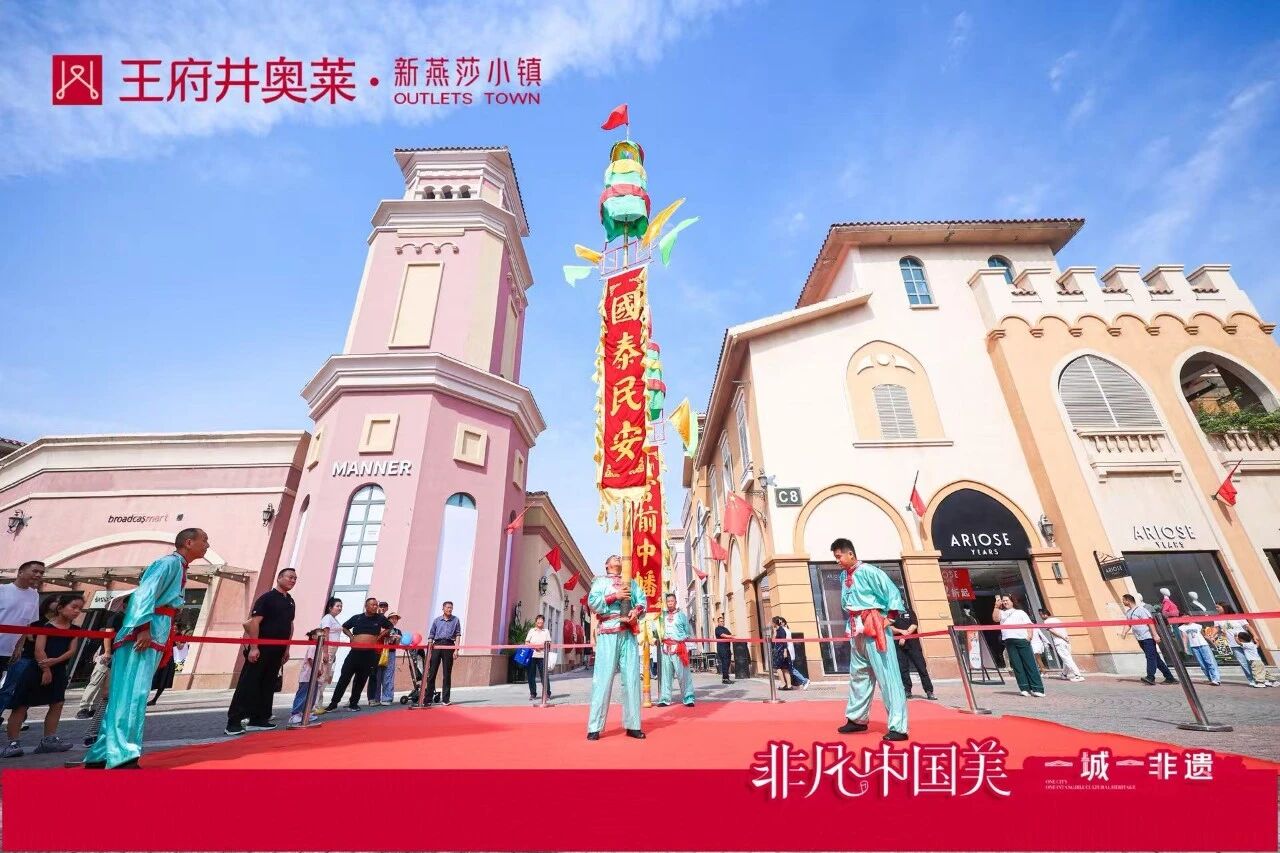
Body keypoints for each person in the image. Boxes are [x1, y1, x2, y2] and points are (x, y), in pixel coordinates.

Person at [84, 528, 206, 769]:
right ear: (188, 542)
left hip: (155, 632)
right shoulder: (168, 563)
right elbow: (144, 594)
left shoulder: (178, 566)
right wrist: (142, 627)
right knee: (133, 695)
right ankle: (123, 756)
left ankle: (103, 753)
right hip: (144, 635)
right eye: (204, 540)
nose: (207, 545)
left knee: (125, 696)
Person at [831, 539, 908, 741]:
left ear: (850, 554)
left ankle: (898, 726)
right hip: (855, 626)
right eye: (835, 557)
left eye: (839, 556)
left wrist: (890, 618)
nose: (837, 560)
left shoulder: (870, 571)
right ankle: (857, 718)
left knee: (888, 675)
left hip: (874, 624)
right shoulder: (843, 575)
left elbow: (892, 592)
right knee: (859, 674)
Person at [2, 594, 84, 757]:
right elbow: (39, 650)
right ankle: (13, 743)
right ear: (61, 608)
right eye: (73, 607)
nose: (77, 611)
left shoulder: (75, 630)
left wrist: (55, 661)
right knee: (21, 705)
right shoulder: (45, 626)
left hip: (58, 670)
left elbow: (72, 650)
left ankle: (49, 740)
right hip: (36, 669)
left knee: (57, 703)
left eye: (80, 609)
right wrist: (46, 669)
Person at [225, 568, 297, 735]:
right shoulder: (267, 598)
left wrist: (287, 648)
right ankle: (233, 722)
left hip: (278, 650)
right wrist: (254, 647)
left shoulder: (290, 601)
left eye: (295, 578)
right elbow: (254, 622)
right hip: (262, 648)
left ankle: (259, 719)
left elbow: (290, 625)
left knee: (268, 684)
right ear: (279, 578)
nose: (293, 581)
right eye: (290, 577)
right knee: (249, 683)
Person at [585, 555, 646, 740]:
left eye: (619, 557)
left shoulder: (631, 582)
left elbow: (642, 601)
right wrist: (615, 596)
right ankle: (594, 727)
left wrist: (636, 611)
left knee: (632, 678)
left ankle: (633, 725)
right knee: (602, 678)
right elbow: (593, 603)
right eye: (613, 558)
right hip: (608, 632)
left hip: (628, 632)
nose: (618, 558)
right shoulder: (600, 582)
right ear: (607, 565)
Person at [0, 561, 45, 730]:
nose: (38, 575)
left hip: (10, 652)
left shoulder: (34, 595)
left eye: (41, 573)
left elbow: (26, 624)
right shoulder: (3, 590)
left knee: (6, 689)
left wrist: (19, 647)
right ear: (20, 572)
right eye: (35, 571)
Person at [325, 597, 391, 712]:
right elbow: (345, 627)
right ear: (366, 606)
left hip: (369, 654)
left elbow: (390, 626)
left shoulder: (380, 618)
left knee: (361, 680)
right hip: (354, 653)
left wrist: (379, 636)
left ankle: (353, 703)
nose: (375, 607)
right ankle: (333, 703)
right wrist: (351, 636)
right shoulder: (357, 618)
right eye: (372, 605)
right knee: (344, 678)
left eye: (376, 605)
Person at [77, 609, 125, 719]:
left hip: (119, 656)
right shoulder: (117, 617)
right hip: (108, 655)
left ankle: (94, 708)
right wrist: (107, 652)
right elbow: (107, 634)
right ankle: (84, 707)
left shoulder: (129, 618)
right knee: (96, 681)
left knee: (107, 685)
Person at [994, 594, 1044, 697]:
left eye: (1007, 600)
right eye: (1003, 601)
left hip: (1022, 640)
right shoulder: (1002, 613)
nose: (1005, 602)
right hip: (1009, 641)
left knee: (1029, 664)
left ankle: (1037, 688)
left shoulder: (1020, 612)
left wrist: (1029, 636)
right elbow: (995, 619)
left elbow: (1028, 624)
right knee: (1017, 666)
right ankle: (1024, 688)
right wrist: (996, 606)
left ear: (1012, 601)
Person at [1121, 593, 1176, 686]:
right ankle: (1169, 677)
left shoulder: (1141, 610)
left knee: (1150, 657)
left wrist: (1155, 635)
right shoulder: (1129, 612)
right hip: (1140, 638)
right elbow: (1128, 624)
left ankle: (1150, 677)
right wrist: (1124, 633)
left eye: (1123, 600)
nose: (1123, 602)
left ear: (1128, 600)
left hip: (1147, 637)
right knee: (1155, 658)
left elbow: (1150, 623)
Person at [658, 593, 696, 707]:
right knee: (666, 675)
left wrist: (681, 639)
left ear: (675, 602)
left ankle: (688, 697)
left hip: (678, 648)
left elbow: (688, 632)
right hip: (666, 648)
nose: (670, 603)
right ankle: (665, 699)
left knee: (683, 674)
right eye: (668, 601)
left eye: (672, 601)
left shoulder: (681, 616)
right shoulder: (662, 616)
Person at [892, 603, 936, 700]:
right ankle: (907, 690)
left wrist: (904, 636)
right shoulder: (892, 613)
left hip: (913, 644)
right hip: (899, 645)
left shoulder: (910, 611)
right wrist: (901, 631)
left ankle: (929, 691)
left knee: (921, 667)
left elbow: (914, 625)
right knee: (903, 669)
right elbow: (890, 628)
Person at [425, 601, 462, 706]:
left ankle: (445, 699)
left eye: (451, 608)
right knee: (432, 673)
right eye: (448, 607)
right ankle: (428, 699)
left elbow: (458, 635)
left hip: (449, 645)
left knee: (447, 673)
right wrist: (429, 650)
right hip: (437, 645)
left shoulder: (456, 620)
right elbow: (431, 635)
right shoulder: (437, 620)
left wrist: (456, 650)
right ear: (443, 608)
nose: (450, 609)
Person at [288, 628, 325, 726]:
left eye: (324, 636)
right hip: (307, 676)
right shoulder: (313, 647)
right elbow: (311, 660)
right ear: (313, 637)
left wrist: (320, 670)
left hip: (313, 677)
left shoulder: (318, 647)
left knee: (312, 696)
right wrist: (316, 670)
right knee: (303, 695)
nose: (323, 637)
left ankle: (306, 713)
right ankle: (295, 714)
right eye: (320, 635)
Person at [1038, 607, 1085, 682]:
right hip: (1066, 641)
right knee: (1067, 658)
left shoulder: (1046, 622)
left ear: (1045, 614)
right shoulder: (1057, 619)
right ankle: (1064, 674)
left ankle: (1078, 675)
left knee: (1067, 659)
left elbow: (1053, 631)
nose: (1040, 616)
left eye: (1041, 615)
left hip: (1059, 642)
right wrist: (1065, 638)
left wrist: (1062, 637)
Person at [314, 597, 344, 711]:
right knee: (322, 677)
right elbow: (325, 635)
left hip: (333, 650)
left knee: (326, 677)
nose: (340, 608)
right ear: (330, 607)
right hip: (328, 649)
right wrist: (325, 652)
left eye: (341, 606)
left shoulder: (334, 619)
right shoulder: (327, 618)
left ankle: (318, 704)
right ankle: (315, 705)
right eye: (337, 606)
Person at [1215, 602, 1256, 686]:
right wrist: (1212, 636)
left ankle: (1263, 678)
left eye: (1218, 607)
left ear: (1224, 607)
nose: (1216, 609)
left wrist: (1255, 635)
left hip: (1246, 642)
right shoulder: (1217, 619)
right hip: (1234, 644)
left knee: (1254, 661)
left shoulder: (1237, 616)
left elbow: (1248, 626)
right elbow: (1216, 629)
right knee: (1243, 663)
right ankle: (1251, 679)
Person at [772, 616, 810, 691]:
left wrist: (785, 651)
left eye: (781, 622)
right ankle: (789, 685)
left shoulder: (784, 631)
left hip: (786, 652)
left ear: (782, 623)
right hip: (785, 652)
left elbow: (784, 642)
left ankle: (804, 681)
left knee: (789, 669)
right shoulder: (782, 630)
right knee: (786, 669)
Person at [1179, 620, 1220, 686]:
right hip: (1194, 646)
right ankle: (1211, 679)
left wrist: (1213, 644)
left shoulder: (1197, 625)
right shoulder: (1182, 627)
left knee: (1210, 662)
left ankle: (1216, 679)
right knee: (1202, 664)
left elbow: (1205, 636)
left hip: (1203, 645)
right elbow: (1184, 637)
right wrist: (1185, 648)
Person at [368, 601, 392, 705]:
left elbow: (390, 628)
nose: (382, 608)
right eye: (380, 606)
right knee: (367, 674)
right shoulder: (373, 618)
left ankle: (375, 698)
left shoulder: (384, 620)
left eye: (384, 606)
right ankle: (370, 698)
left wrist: (383, 635)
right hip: (369, 649)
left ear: (387, 608)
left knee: (376, 675)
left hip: (381, 651)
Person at [524, 614, 551, 701]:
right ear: (536, 622)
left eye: (541, 620)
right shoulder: (532, 631)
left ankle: (547, 693)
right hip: (531, 655)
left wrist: (541, 647)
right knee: (531, 675)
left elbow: (548, 643)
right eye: (538, 620)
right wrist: (535, 647)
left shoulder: (546, 631)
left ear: (543, 622)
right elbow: (527, 642)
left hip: (542, 655)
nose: (540, 621)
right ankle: (533, 693)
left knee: (544, 675)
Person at [380, 613, 403, 704]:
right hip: (380, 652)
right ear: (388, 619)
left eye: (396, 619)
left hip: (391, 653)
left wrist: (397, 639)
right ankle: (375, 698)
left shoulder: (397, 631)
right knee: (378, 675)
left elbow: (396, 645)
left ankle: (387, 697)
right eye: (392, 618)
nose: (394, 620)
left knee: (388, 675)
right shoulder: (383, 629)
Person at [714, 617, 733, 684]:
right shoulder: (717, 629)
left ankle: (726, 678)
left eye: (723, 621)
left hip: (727, 648)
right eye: (721, 621)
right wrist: (731, 636)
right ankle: (725, 679)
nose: (722, 622)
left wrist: (730, 636)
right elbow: (723, 635)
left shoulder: (725, 629)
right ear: (718, 622)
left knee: (728, 663)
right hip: (722, 649)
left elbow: (730, 635)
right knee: (725, 663)